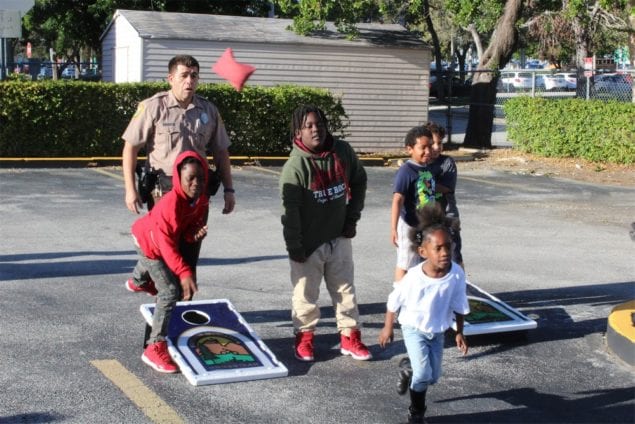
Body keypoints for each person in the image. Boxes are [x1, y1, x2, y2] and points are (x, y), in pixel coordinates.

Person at [121, 54, 235, 277]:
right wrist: (130, 190)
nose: (189, 81)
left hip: (196, 195)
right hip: (163, 193)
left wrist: (229, 190)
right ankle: (160, 300)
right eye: (184, 75)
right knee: (165, 256)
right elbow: (130, 148)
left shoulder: (208, 111)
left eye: (194, 76)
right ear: (170, 78)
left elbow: (221, 153)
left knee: (190, 254)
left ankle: (183, 306)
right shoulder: (153, 107)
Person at [279, 104, 372, 362]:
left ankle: (349, 336)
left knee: (345, 290)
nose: (315, 129)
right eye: (308, 126)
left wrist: (352, 218)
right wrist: (294, 246)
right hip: (308, 243)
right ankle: (304, 337)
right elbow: (290, 213)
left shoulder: (342, 152)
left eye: (319, 124)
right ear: (298, 132)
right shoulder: (295, 167)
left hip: (338, 236)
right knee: (305, 294)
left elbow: (359, 180)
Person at [378, 203, 470, 423]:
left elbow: (459, 305)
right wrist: (388, 327)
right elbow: (394, 301)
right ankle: (416, 413)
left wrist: (460, 332)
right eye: (438, 248)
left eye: (448, 246)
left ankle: (408, 368)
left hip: (437, 332)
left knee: (434, 377)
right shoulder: (413, 277)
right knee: (423, 376)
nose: (445, 252)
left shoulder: (456, 274)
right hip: (413, 328)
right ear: (423, 252)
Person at [126, 150, 209, 373]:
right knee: (170, 291)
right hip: (149, 243)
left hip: (154, 243)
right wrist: (183, 273)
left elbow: (185, 229)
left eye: (201, 178)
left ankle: (138, 281)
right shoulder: (169, 204)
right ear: (178, 179)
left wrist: (194, 234)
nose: (196, 183)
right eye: (190, 178)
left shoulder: (200, 201)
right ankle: (154, 346)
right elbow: (165, 247)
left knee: (156, 275)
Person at [391, 126, 438, 282]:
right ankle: (398, 299)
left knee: (420, 262)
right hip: (409, 225)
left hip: (425, 225)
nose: (428, 151)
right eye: (422, 147)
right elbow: (397, 200)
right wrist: (393, 228)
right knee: (405, 263)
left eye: (430, 146)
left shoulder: (427, 168)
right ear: (410, 149)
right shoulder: (406, 171)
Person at [426, 122, 464, 268]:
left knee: (454, 255)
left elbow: (447, 188)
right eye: (432, 143)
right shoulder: (421, 163)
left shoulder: (447, 162)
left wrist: (422, 181)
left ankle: (461, 286)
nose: (437, 147)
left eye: (439, 143)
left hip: (448, 216)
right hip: (426, 217)